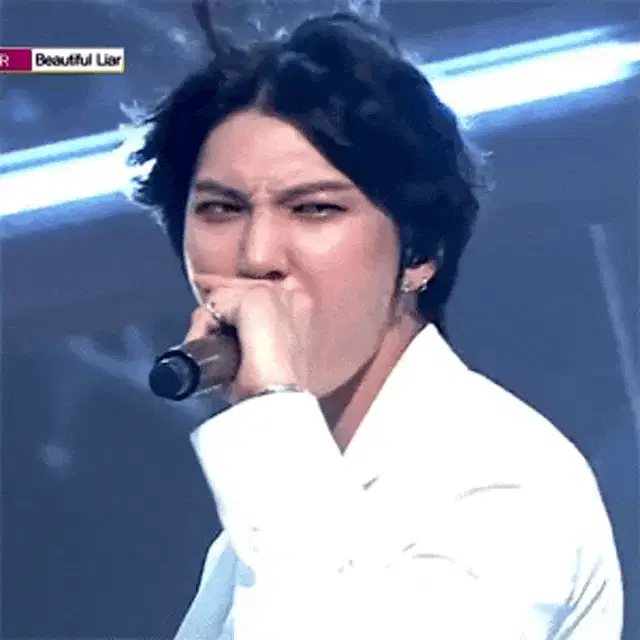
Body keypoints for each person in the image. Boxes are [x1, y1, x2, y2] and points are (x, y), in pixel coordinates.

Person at [127, 7, 623, 639]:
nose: (256, 256)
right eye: (221, 209)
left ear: (419, 252)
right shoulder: (260, 527)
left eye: (314, 209)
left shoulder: (502, 480)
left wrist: (271, 410)